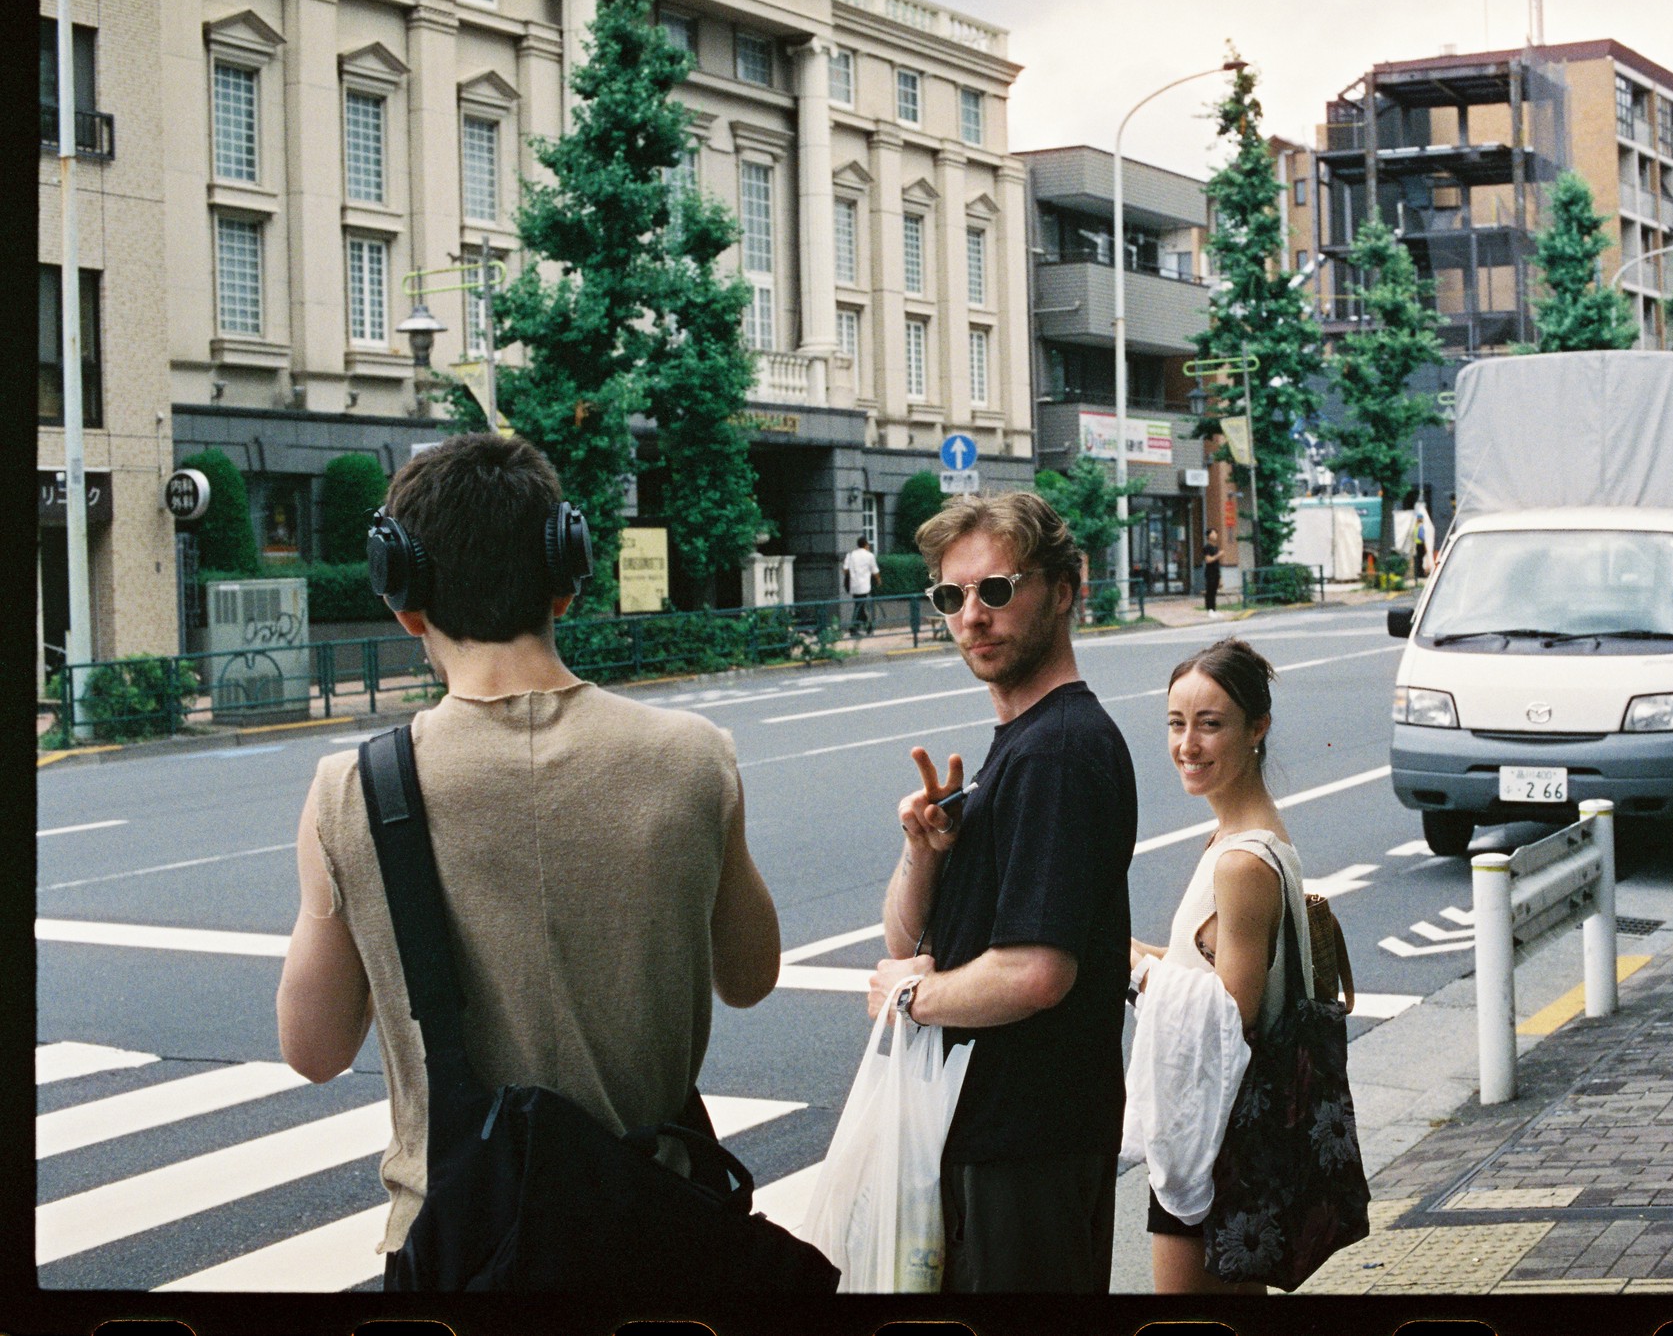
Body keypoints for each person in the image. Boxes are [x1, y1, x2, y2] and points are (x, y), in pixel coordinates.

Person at [276, 433, 781, 1279]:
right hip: (659, 1231)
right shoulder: (695, 757)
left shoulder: (352, 790)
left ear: (402, 591)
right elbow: (750, 976)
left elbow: (315, 1048)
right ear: (565, 573)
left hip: (461, 1246)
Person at [865, 491, 1137, 1293]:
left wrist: (910, 998)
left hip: (1028, 1147)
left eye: (995, 589)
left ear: (1064, 589)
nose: (972, 616)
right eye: (951, 597)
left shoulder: (1058, 750)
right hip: (1000, 1141)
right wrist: (924, 852)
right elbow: (906, 939)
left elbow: (1035, 973)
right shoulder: (1020, 748)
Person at [1127, 638, 1309, 1295]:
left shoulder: (1241, 862)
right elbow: (1203, 969)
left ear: (1257, 728)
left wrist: (1136, 973)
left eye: (1210, 724)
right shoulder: (1239, 837)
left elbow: (1230, 1017)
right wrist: (1123, 949)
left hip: (1215, 1137)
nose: (1188, 744)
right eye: (1176, 723)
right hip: (1226, 1132)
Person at [841, 534, 882, 636]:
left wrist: (852, 574)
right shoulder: (869, 556)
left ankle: (867, 627)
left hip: (854, 585)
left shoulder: (850, 555)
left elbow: (845, 570)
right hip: (864, 586)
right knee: (859, 606)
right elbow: (875, 571)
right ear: (866, 544)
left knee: (859, 605)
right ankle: (854, 628)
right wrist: (878, 581)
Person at [1202, 529, 1223, 612]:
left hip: (1216, 572)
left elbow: (1217, 563)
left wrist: (1220, 577)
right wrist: (1218, 555)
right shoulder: (1207, 547)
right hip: (1210, 572)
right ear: (1209, 536)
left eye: (1216, 533)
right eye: (1213, 533)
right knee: (1210, 591)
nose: (1215, 535)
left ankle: (1214, 609)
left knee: (1214, 592)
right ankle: (1209, 609)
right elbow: (1208, 560)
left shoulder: (1216, 548)